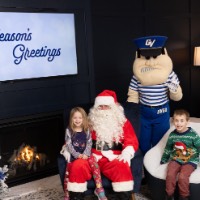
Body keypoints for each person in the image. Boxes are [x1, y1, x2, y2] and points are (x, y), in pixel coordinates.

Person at [65, 90, 138, 200]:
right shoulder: (89, 122)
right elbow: (76, 134)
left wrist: (127, 152)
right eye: (100, 106)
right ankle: (76, 197)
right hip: (91, 156)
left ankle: (124, 197)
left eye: (106, 106)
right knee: (77, 166)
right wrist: (66, 147)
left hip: (113, 157)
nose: (103, 109)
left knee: (122, 166)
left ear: (114, 107)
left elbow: (131, 139)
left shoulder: (123, 122)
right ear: (96, 108)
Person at [127, 35, 183, 155]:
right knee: (143, 142)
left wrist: (175, 89)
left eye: (155, 56)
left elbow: (176, 97)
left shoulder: (169, 74)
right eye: (146, 57)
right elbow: (133, 95)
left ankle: (158, 165)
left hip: (161, 111)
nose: (151, 62)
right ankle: (145, 167)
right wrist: (131, 114)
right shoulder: (137, 76)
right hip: (144, 111)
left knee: (161, 141)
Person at [60, 107, 107, 200]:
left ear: (84, 119)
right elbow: (69, 145)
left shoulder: (87, 129)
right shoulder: (69, 130)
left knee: (94, 164)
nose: (77, 120)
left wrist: (86, 154)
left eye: (80, 118)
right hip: (75, 155)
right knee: (68, 171)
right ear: (71, 119)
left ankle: (99, 188)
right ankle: (67, 193)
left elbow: (89, 143)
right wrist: (77, 155)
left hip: (86, 154)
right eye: (75, 118)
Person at [160, 109, 200, 200]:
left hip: (190, 160)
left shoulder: (193, 135)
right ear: (173, 121)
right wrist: (164, 159)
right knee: (170, 174)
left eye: (182, 121)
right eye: (176, 120)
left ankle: (184, 196)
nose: (179, 123)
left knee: (182, 177)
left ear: (187, 122)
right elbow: (168, 148)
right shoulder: (172, 135)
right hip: (176, 158)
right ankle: (169, 195)